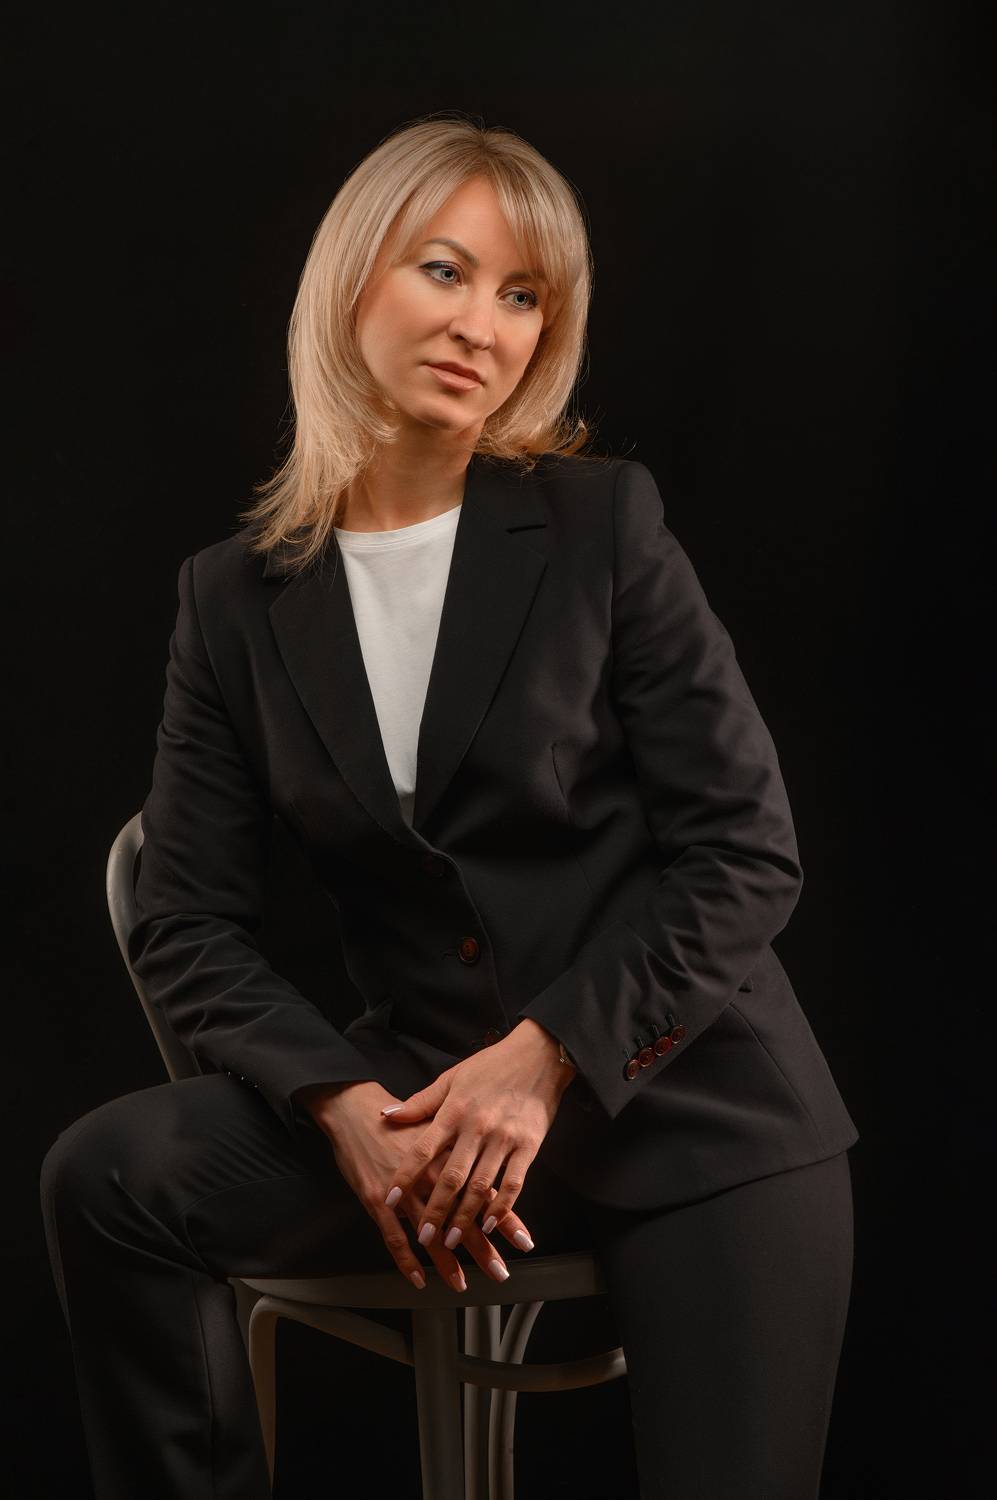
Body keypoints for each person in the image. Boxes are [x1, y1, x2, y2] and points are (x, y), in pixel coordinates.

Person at [40, 112, 859, 1499]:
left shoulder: (601, 526)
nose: (484, 324)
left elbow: (744, 853)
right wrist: (342, 1103)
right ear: (352, 274)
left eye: (524, 295)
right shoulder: (233, 599)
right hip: (415, 1118)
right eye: (445, 270)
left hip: (687, 1109)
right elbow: (183, 919)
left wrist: (545, 1058)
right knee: (108, 1176)